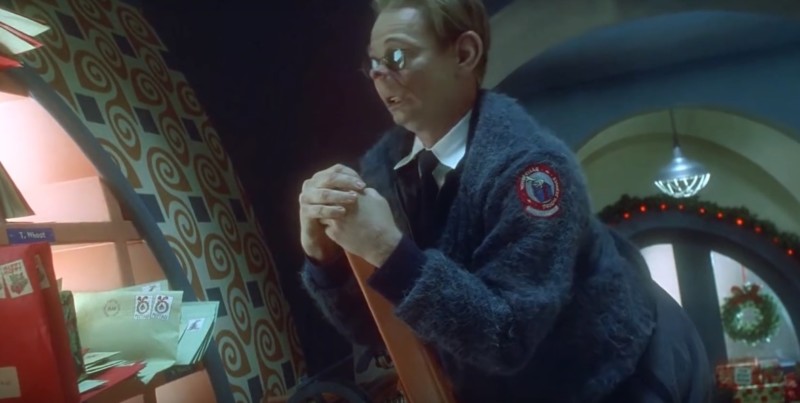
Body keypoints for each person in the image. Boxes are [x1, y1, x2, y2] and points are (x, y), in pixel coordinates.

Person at [297, 0, 712, 401]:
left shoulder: (535, 171)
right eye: (373, 62)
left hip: (619, 380)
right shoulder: (383, 172)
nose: (379, 75)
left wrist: (387, 249)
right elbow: (383, 332)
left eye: (398, 56)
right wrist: (326, 260)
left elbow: (507, 338)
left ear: (464, 53)